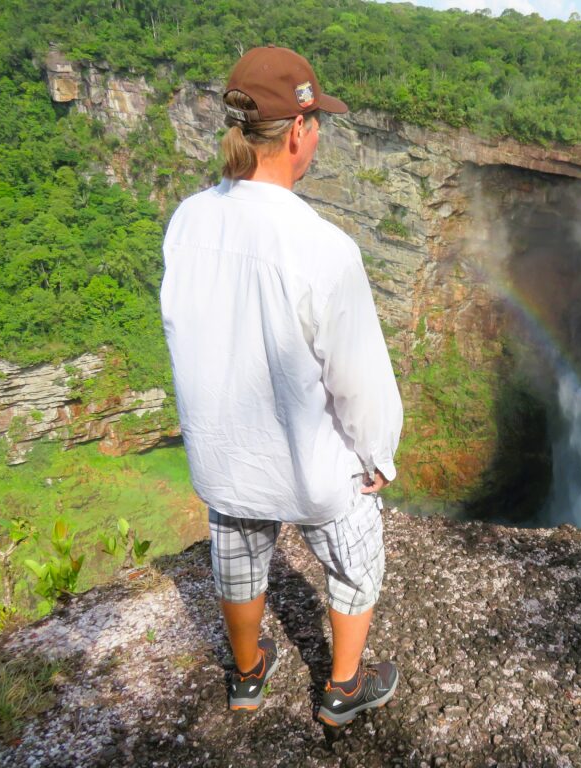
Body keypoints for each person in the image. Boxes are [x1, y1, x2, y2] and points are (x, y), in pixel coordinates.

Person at [160, 45, 403, 727]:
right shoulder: (322, 247)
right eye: (317, 120)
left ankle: (246, 675)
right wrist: (377, 453)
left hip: (226, 459)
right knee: (355, 564)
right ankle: (343, 687)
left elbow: (185, 326)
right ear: (298, 131)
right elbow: (358, 378)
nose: (318, 131)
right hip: (313, 470)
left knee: (236, 558)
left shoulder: (187, 222)